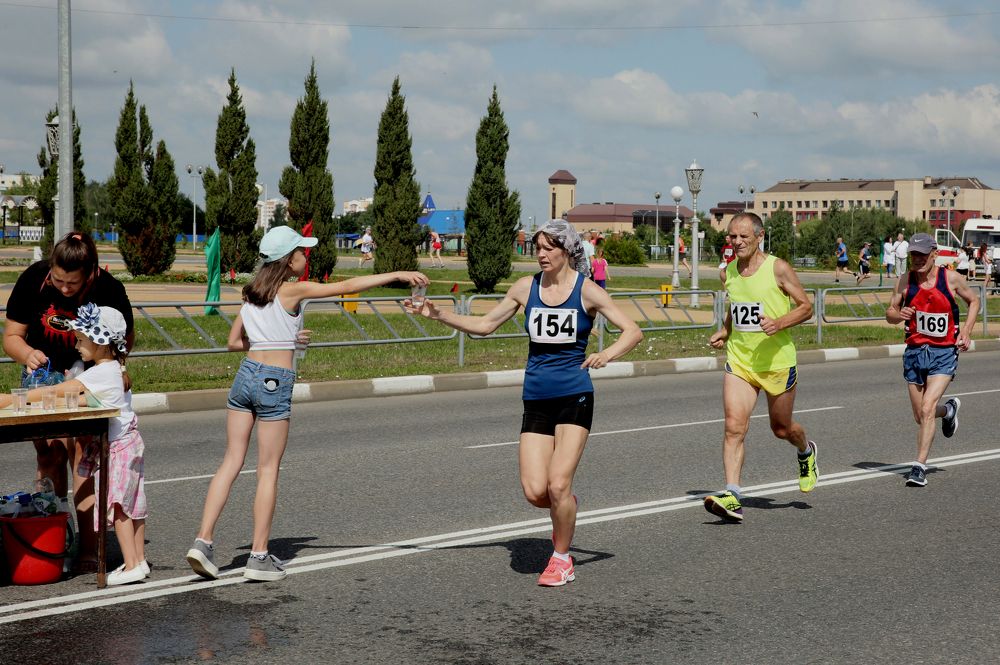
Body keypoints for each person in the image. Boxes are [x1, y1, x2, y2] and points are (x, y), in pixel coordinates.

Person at [406, 219, 642, 586]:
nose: (542, 254)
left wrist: (606, 354)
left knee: (558, 483)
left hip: (575, 395)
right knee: (536, 492)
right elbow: (485, 326)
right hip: (536, 397)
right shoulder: (524, 287)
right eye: (539, 248)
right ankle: (566, 509)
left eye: (549, 248)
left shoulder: (587, 291)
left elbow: (633, 330)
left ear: (567, 251)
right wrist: (436, 314)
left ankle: (562, 558)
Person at [186, 226, 428, 582]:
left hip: (245, 375)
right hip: (273, 381)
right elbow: (345, 288)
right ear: (288, 259)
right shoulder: (293, 289)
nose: (305, 256)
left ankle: (203, 542)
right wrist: (396, 274)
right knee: (267, 470)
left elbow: (234, 343)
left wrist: (286, 339)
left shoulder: (251, 294)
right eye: (301, 251)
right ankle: (258, 556)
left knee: (231, 461)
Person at [2, 231, 134, 573]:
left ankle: (89, 549)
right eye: (57, 280)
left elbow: (124, 341)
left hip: (87, 380)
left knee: (81, 458)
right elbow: (12, 337)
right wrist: (28, 353)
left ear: (89, 274)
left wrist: (114, 370)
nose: (63, 289)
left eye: (71, 284)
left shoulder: (109, 289)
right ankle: (54, 538)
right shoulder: (33, 278)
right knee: (50, 454)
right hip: (42, 377)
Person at [0, 303, 147, 586]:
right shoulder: (115, 369)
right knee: (134, 505)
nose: (76, 345)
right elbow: (88, 400)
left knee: (117, 506)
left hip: (116, 449)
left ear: (100, 343)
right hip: (130, 443)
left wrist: (8, 400)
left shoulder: (98, 373)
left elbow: (53, 391)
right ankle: (138, 560)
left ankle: (131, 566)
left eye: (81, 339)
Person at [705, 212, 817, 522]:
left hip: (777, 363)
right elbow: (737, 306)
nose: (736, 242)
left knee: (781, 429)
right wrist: (726, 330)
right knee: (733, 426)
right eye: (732, 237)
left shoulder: (777, 268)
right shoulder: (728, 272)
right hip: (741, 361)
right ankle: (732, 494)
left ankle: (806, 450)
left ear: (759, 236)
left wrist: (779, 323)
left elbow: (806, 307)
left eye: (743, 237)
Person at [885, 233, 978, 487]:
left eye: (922, 255)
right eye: (914, 255)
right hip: (915, 352)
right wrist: (898, 314)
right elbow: (890, 313)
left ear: (934, 254)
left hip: (944, 352)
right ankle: (948, 410)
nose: (917, 259)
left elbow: (974, 300)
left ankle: (919, 467)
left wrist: (967, 330)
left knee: (926, 408)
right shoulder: (905, 281)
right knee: (920, 414)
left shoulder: (950, 279)